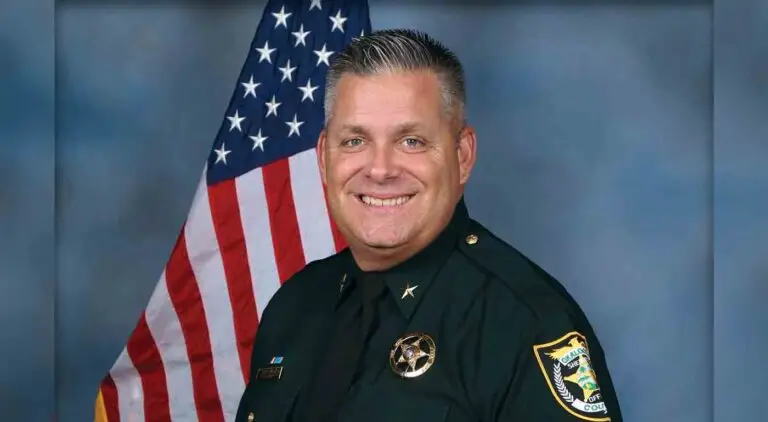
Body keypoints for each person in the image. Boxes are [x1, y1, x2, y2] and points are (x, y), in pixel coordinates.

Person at [234, 28, 623, 422]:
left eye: (412, 141)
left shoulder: (523, 324)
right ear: (323, 157)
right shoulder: (294, 307)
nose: (380, 169)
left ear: (463, 155)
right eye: (354, 141)